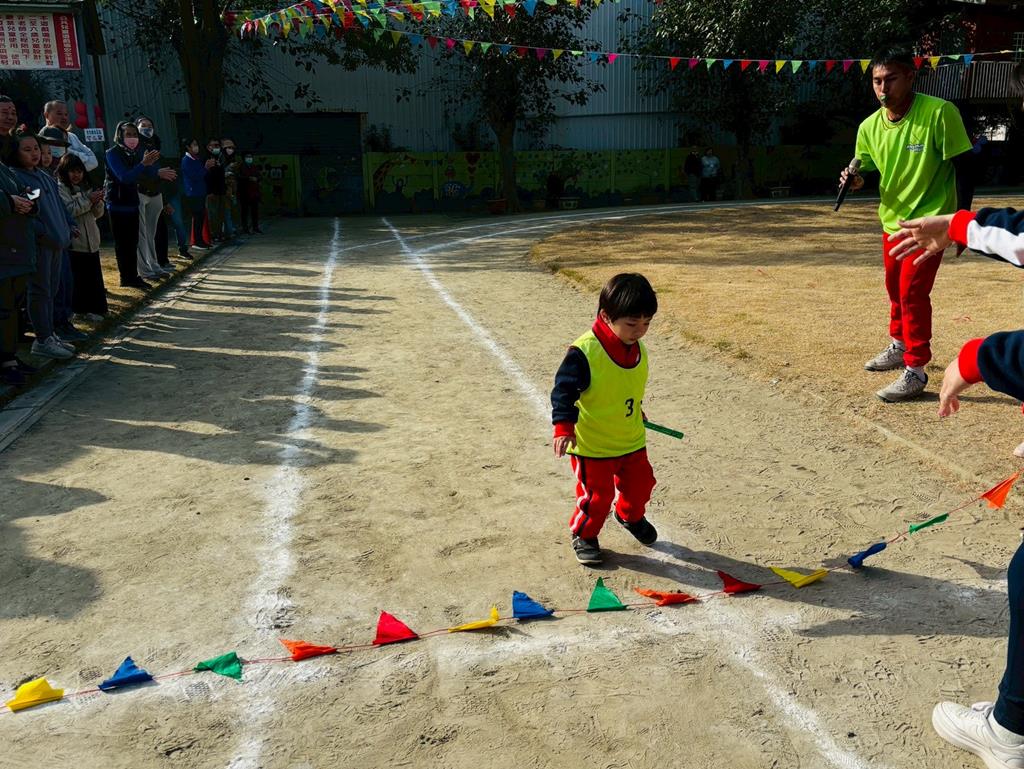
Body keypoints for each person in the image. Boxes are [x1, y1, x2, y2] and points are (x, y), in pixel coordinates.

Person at [841, 46, 973, 403]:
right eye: (876, 81)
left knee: (913, 293)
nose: (883, 89)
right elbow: (865, 169)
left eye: (891, 79)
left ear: (911, 76)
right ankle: (899, 345)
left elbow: (965, 167)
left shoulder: (939, 113)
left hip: (930, 224)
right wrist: (855, 180)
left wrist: (961, 222)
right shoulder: (869, 126)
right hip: (892, 223)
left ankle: (916, 369)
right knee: (895, 289)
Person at [551, 273, 660, 566]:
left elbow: (625, 386)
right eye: (632, 324)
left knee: (642, 485)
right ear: (605, 316)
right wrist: (563, 427)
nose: (640, 331)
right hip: (593, 445)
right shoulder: (584, 352)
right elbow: (563, 392)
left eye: (647, 323)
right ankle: (584, 534)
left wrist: (636, 410)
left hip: (630, 439)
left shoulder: (637, 349)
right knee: (597, 497)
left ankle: (629, 515)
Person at [5, 131, 77, 360]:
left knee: (51, 290)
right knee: (40, 291)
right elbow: (26, 213)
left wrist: (69, 225)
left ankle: (50, 334)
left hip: (57, 243)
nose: (34, 154)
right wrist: (43, 233)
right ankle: (42, 338)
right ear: (15, 153)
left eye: (36, 148)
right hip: (40, 245)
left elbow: (59, 205)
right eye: (27, 150)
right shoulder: (16, 177)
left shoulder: (44, 176)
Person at [104, 122, 174, 289]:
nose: (132, 138)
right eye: (128, 134)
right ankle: (126, 278)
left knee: (133, 242)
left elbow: (146, 172)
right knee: (123, 244)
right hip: (117, 204)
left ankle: (134, 276)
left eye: (134, 134)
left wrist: (155, 170)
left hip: (133, 203)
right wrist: (144, 164)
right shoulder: (112, 153)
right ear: (120, 136)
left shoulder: (136, 153)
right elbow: (124, 177)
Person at [37, 125, 86, 342]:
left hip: (61, 238)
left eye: (55, 150)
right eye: (46, 151)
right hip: (46, 240)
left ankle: (64, 322)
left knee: (65, 282)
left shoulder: (52, 176)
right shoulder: (35, 177)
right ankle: (54, 327)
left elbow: (59, 208)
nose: (50, 155)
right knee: (50, 289)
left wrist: (69, 224)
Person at [0, 132, 38, 385]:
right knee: (3, 307)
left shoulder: (5, 168)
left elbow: (18, 194)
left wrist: (27, 200)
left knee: (12, 306)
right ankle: (5, 361)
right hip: (4, 250)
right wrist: (9, 201)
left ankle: (10, 355)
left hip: (16, 247)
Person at [57, 153, 108, 320]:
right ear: (64, 172)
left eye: (79, 171)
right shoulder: (61, 189)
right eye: (72, 171)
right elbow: (69, 211)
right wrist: (88, 200)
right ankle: (81, 311)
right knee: (79, 280)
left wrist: (98, 202)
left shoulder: (86, 187)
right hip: (75, 243)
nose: (76, 175)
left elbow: (98, 214)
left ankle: (97, 309)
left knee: (94, 279)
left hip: (92, 240)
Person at [134, 116, 174, 280]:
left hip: (156, 192)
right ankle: (145, 269)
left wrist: (164, 199)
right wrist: (156, 173)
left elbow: (161, 171)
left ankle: (154, 264)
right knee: (142, 234)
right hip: (141, 192)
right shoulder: (135, 147)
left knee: (151, 233)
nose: (147, 128)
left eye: (149, 125)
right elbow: (137, 172)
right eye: (143, 126)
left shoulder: (155, 144)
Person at [42, 100, 97, 173]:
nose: (64, 117)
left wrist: (70, 153)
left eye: (66, 114)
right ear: (46, 115)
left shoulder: (72, 136)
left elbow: (93, 162)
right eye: (59, 114)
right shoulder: (43, 137)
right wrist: (82, 157)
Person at [180, 138, 211, 249]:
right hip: (193, 192)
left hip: (200, 191)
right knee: (197, 217)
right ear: (188, 147)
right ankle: (197, 241)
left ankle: (200, 239)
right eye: (193, 144)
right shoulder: (186, 160)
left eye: (196, 144)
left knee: (201, 216)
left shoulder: (196, 159)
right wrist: (206, 168)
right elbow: (195, 176)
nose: (196, 147)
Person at [204, 139, 227, 242]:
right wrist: (209, 191)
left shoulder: (220, 158)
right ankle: (214, 235)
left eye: (218, 145)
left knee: (220, 214)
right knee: (213, 215)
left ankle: (219, 233)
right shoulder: (206, 159)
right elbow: (206, 177)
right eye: (214, 145)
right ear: (208, 147)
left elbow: (221, 175)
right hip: (211, 192)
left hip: (221, 191)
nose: (216, 147)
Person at [236, 151, 262, 234]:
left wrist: (257, 179)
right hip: (245, 192)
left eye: (250, 157)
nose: (249, 158)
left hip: (254, 192)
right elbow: (239, 177)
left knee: (255, 211)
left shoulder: (254, 167)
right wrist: (249, 178)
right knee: (245, 212)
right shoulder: (240, 167)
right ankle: (245, 228)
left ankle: (255, 227)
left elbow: (259, 176)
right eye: (247, 157)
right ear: (244, 158)